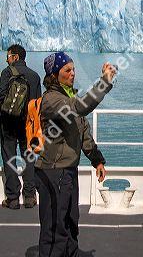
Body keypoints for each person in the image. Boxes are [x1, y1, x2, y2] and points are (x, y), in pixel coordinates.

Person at [35, 51, 116, 257]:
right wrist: (104, 82)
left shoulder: (68, 96)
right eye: (67, 70)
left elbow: (83, 132)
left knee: (71, 219)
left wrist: (97, 159)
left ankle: (71, 253)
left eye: (73, 69)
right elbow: (80, 108)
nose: (73, 73)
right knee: (55, 225)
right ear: (54, 75)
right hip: (53, 171)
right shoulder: (52, 100)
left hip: (67, 170)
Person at [0, 44, 41, 209]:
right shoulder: (35, 76)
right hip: (27, 124)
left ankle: (13, 198)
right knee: (29, 158)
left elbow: (1, 96)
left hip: (8, 123)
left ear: (15, 57)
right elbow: (38, 104)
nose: (7, 59)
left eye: (8, 56)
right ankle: (30, 196)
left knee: (10, 158)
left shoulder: (7, 72)